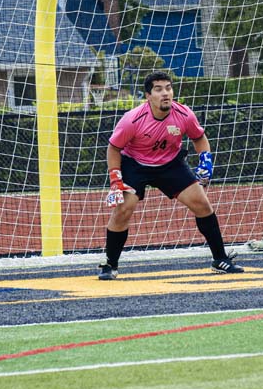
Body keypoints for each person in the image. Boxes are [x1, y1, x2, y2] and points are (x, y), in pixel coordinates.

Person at [99, 70, 243, 279]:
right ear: (148, 96)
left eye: (168, 88)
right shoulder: (132, 119)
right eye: (158, 89)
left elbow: (199, 138)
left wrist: (206, 162)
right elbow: (113, 148)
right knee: (124, 209)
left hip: (170, 164)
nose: (165, 93)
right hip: (135, 164)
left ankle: (220, 259)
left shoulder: (184, 114)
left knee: (201, 204)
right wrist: (115, 179)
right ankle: (110, 264)